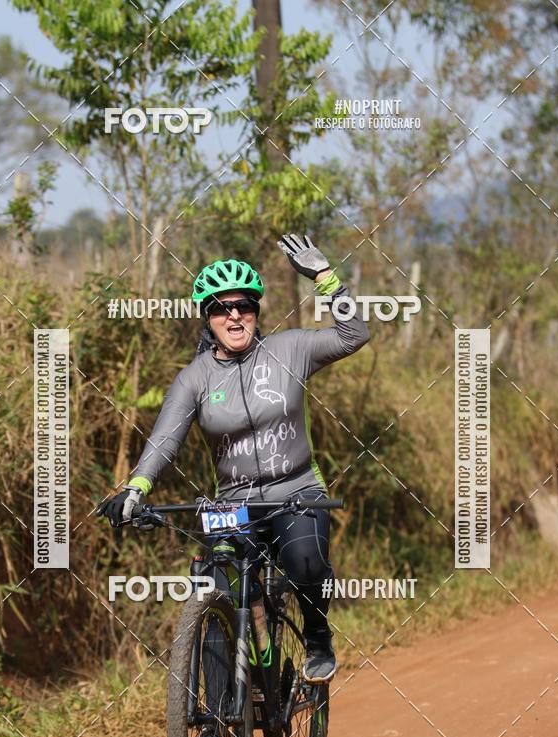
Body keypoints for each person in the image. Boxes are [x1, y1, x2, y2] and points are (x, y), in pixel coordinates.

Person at [98, 234, 370, 691]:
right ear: (208, 319)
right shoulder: (195, 378)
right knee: (214, 587)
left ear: (256, 312)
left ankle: (318, 636)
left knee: (306, 561)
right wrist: (136, 488)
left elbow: (354, 335)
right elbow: (165, 440)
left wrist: (326, 278)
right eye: (222, 308)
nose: (234, 315)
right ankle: (214, 724)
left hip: (297, 491)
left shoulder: (290, 350)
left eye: (244, 306)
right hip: (234, 503)